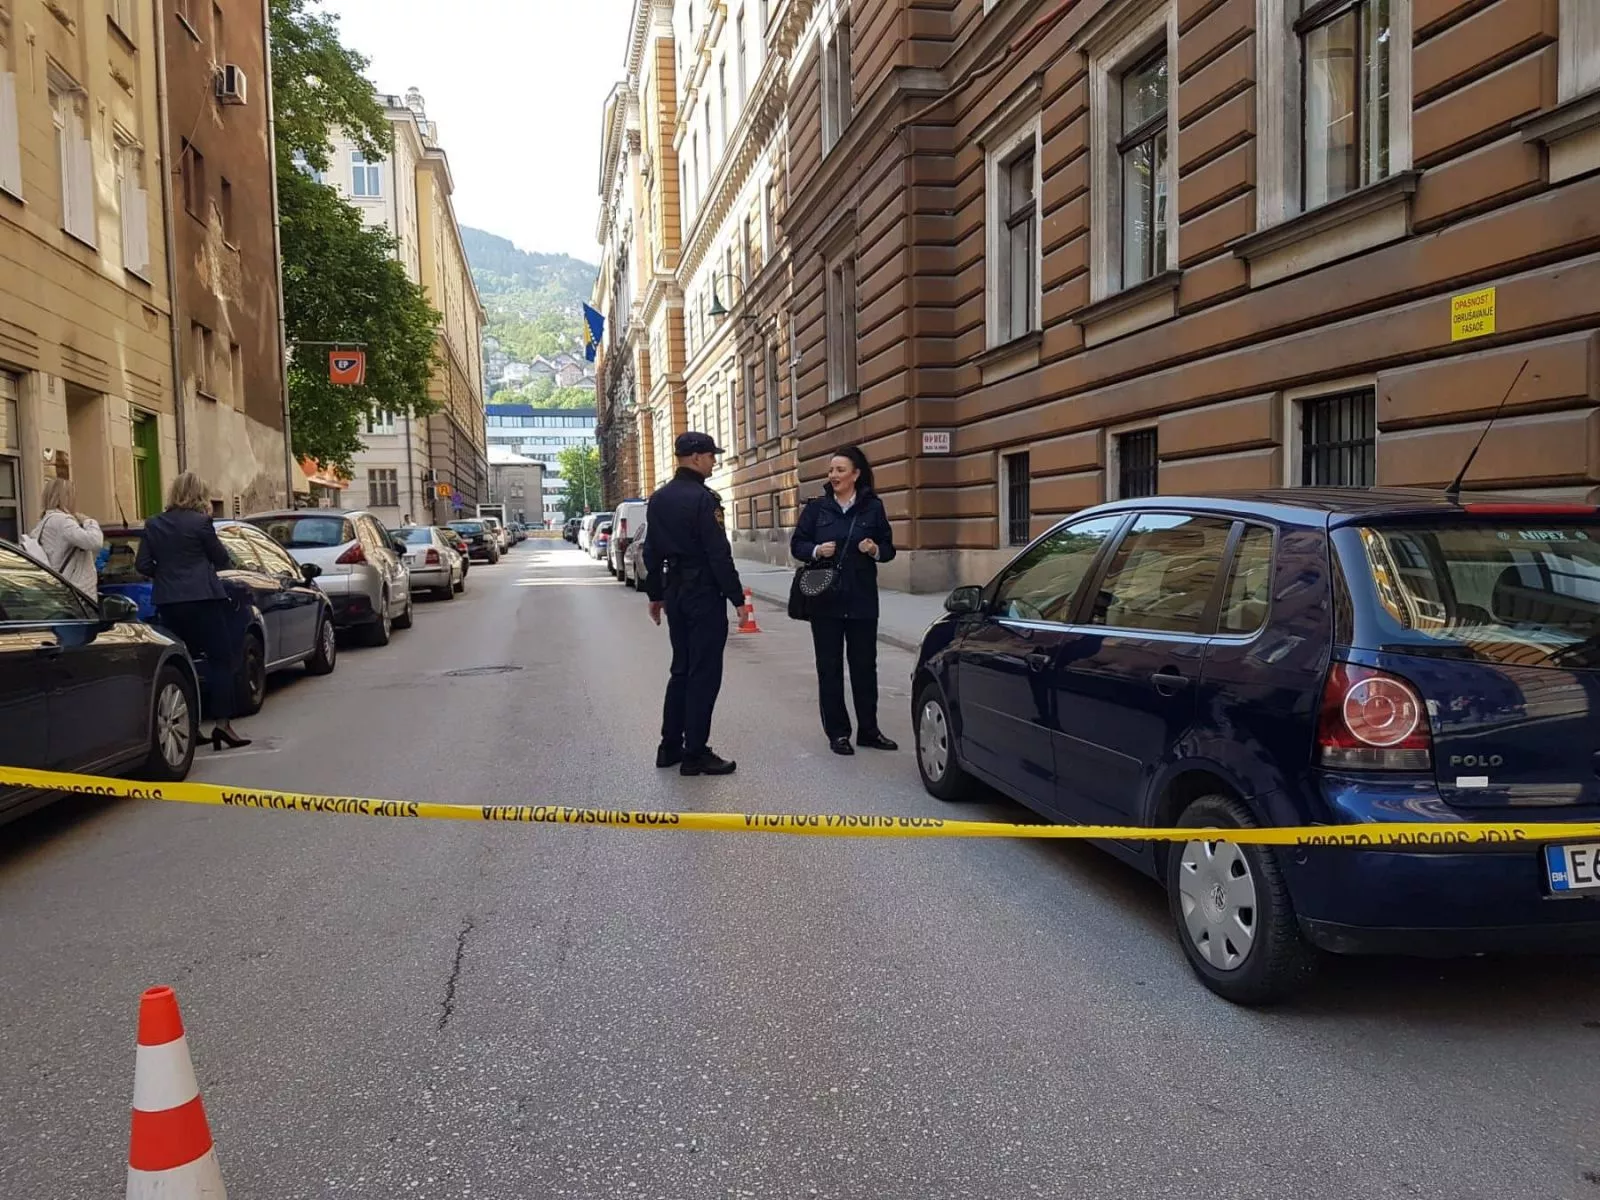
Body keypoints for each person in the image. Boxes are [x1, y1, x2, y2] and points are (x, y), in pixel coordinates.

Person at [642, 432, 751, 776]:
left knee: (681, 669)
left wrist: (656, 594)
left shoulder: (659, 499)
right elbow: (718, 553)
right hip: (703, 592)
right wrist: (737, 598)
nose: (714, 461)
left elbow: (651, 551)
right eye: (711, 456)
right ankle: (695, 753)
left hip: (675, 590)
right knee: (703, 674)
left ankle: (669, 746)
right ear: (696, 457)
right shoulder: (704, 499)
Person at [791, 446, 899, 756]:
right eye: (831, 470)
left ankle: (869, 730)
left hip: (862, 600)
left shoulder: (873, 508)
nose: (834, 475)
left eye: (840, 470)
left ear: (856, 474)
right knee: (830, 668)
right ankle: (838, 733)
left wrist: (874, 549)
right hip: (826, 601)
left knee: (865, 668)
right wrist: (816, 550)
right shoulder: (817, 509)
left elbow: (889, 549)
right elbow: (797, 544)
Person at [136, 472, 250, 751]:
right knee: (221, 659)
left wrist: (166, 574)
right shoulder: (201, 523)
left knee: (181, 662)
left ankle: (192, 725)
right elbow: (221, 559)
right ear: (199, 494)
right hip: (203, 599)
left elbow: (142, 564)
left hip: (169, 602)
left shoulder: (153, 524)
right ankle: (222, 725)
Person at [31, 478, 104, 599]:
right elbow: (95, 541)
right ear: (67, 498)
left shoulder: (44, 522)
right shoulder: (63, 521)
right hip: (76, 593)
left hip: (59, 589)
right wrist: (89, 521)